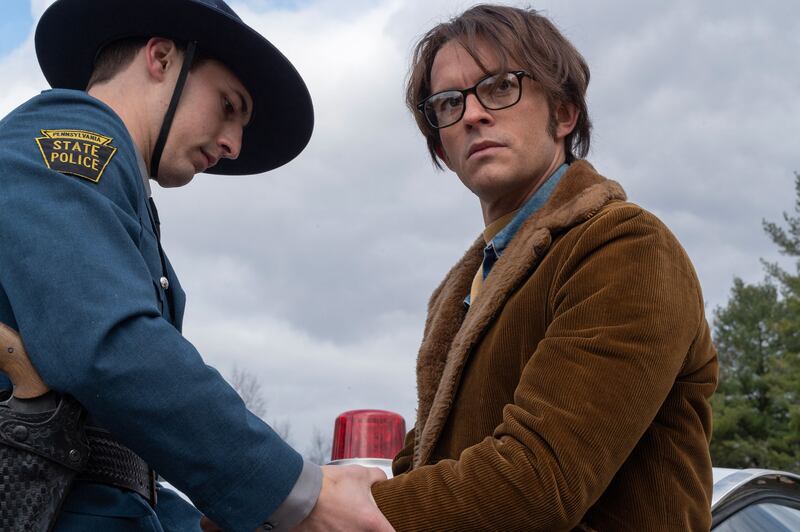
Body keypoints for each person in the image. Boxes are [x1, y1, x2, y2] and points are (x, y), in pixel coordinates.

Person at [0, 0, 392, 530]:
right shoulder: (65, 144)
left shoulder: (111, 187)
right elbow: (111, 349)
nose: (233, 144)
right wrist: (303, 493)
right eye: (228, 106)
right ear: (161, 58)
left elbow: (112, 464)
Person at [370, 5, 718, 530]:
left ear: (564, 113)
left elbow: (538, 482)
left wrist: (340, 508)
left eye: (501, 86)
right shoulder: (462, 289)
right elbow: (423, 468)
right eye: (448, 102)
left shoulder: (626, 246)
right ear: (438, 142)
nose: (472, 114)